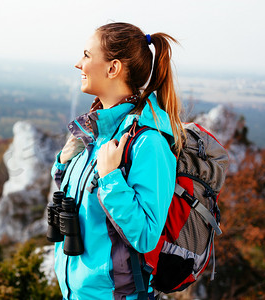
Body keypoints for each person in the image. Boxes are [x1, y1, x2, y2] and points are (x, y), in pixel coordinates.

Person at [50, 22, 186, 300]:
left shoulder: (149, 143)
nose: (79, 64)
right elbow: (82, 200)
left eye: (87, 55)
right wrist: (63, 164)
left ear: (113, 68)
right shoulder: (97, 134)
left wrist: (111, 177)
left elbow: (146, 235)